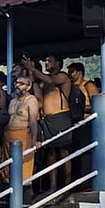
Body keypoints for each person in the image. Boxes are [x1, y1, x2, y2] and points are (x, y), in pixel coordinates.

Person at [22, 54, 73, 191]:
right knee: (51, 153)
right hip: (47, 120)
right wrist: (31, 73)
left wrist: (32, 68)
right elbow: (39, 87)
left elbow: (50, 80)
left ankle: (68, 186)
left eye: (50, 60)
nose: (46, 63)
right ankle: (53, 186)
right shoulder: (44, 81)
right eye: (45, 61)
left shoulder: (62, 77)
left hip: (61, 117)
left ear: (58, 63)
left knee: (63, 152)